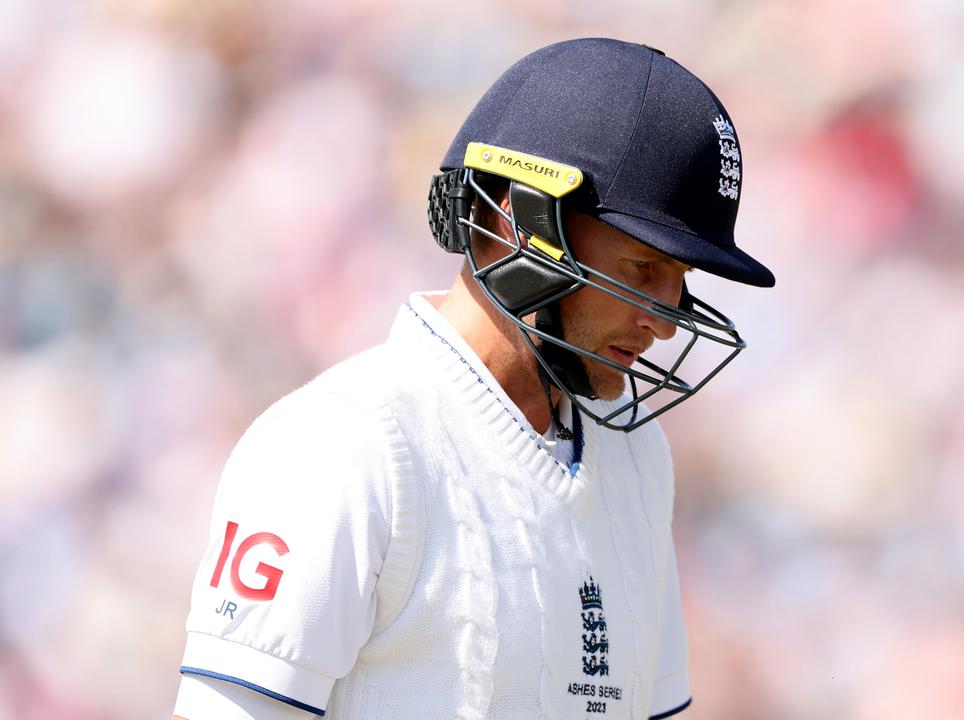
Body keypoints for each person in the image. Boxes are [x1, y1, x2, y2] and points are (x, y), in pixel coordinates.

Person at [171, 37, 775, 720]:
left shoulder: (638, 460)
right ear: (522, 221)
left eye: (680, 279)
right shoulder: (342, 443)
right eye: (643, 269)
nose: (665, 321)